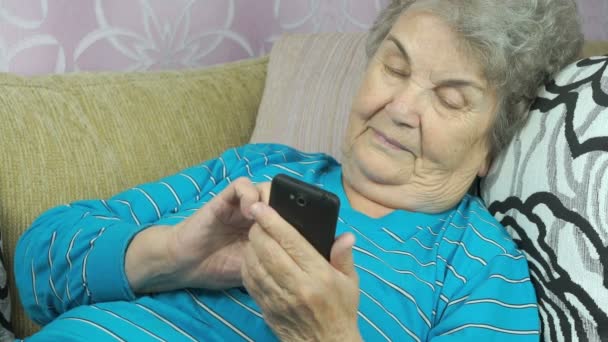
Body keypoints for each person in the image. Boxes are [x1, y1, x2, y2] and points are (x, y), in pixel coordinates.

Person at [15, 0, 582, 340]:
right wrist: (174, 256)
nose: (401, 108)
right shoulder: (258, 165)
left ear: (492, 145)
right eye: (394, 66)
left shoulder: (481, 271)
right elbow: (37, 263)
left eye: (450, 99)